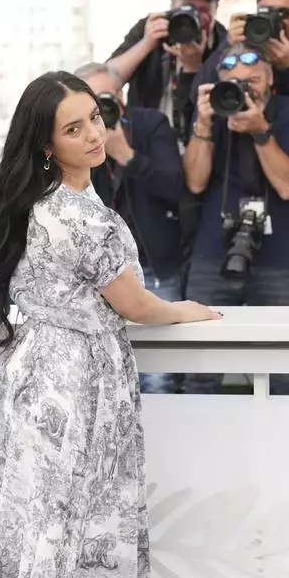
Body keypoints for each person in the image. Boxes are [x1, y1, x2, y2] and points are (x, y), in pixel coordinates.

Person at [0, 71, 221, 578]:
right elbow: (135, 306)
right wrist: (182, 309)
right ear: (47, 145)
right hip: (78, 383)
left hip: (32, 375)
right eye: (74, 128)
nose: (94, 133)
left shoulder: (36, 206)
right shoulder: (80, 215)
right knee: (67, 531)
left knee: (26, 524)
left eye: (94, 118)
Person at [182, 43, 289, 396]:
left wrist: (261, 131)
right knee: (199, 371)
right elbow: (195, 182)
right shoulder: (210, 116)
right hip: (214, 251)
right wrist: (204, 122)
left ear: (271, 79)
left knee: (284, 372)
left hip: (276, 256)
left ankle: (286, 448)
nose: (245, 90)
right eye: (234, 82)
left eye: (253, 80)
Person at [193, 0, 289, 265]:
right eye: (265, 9)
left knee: (286, 261)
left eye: (282, 13)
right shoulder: (241, 39)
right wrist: (224, 49)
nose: (273, 20)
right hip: (230, 164)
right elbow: (197, 95)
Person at [76, 61, 189, 393]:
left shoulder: (150, 125)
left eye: (106, 100)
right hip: (95, 276)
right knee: (98, 371)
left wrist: (126, 155)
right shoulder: (74, 139)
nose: (100, 111)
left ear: (121, 96)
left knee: (158, 372)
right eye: (90, 103)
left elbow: (175, 186)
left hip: (153, 266)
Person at [107, 0, 228, 146]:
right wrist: (146, 44)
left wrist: (193, 68)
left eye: (204, 10)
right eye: (188, 9)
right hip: (145, 139)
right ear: (172, 7)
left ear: (215, 12)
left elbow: (215, 105)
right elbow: (108, 79)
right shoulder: (151, 27)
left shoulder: (223, 42)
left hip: (198, 143)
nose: (196, 17)